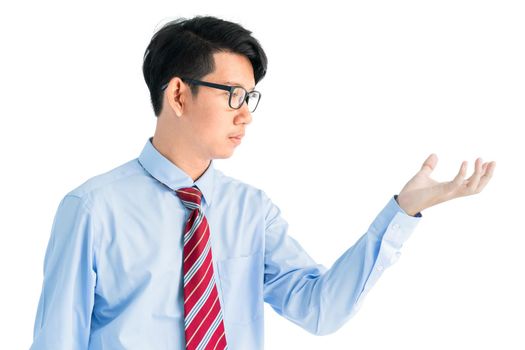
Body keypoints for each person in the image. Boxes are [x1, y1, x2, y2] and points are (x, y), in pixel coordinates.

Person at [29, 15, 496, 350]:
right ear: (178, 94)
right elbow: (57, 341)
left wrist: (402, 212)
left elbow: (319, 310)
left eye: (250, 97)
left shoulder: (251, 210)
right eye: (233, 94)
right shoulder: (92, 208)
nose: (246, 114)